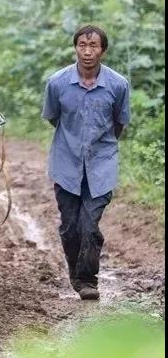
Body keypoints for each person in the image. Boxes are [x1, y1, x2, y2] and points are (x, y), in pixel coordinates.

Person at [42, 25, 130, 300]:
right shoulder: (57, 83)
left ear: (103, 50)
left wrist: (99, 147)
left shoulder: (118, 85)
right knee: (70, 227)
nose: (87, 51)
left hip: (101, 165)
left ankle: (88, 280)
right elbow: (53, 117)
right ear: (75, 47)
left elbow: (119, 124)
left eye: (93, 46)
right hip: (66, 164)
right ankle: (76, 273)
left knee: (90, 225)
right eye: (82, 45)